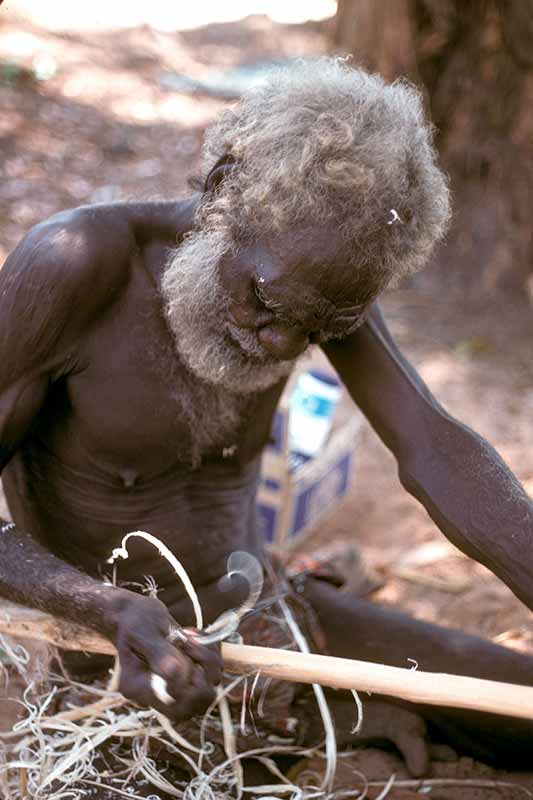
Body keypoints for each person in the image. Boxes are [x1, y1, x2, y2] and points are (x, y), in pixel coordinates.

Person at [1, 58, 533, 785]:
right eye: (264, 300)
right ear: (223, 191)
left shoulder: (318, 278)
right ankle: (316, 720)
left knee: (519, 703)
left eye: (319, 328)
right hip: (117, 665)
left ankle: (315, 713)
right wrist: (100, 607)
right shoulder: (74, 265)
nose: (281, 343)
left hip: (270, 621)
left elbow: (433, 447)